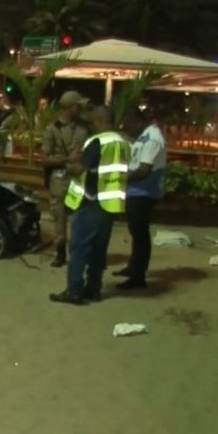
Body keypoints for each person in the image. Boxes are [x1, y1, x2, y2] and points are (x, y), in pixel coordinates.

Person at [50, 105, 131, 305]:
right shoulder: (122, 142)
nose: (91, 126)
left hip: (91, 201)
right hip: (110, 204)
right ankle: (94, 288)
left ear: (99, 121)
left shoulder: (98, 141)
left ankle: (74, 291)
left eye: (92, 121)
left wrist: (66, 165)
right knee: (98, 249)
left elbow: (79, 169)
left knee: (79, 248)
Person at [113, 108, 166, 290]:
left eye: (127, 126)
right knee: (136, 233)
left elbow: (144, 170)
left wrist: (119, 180)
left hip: (143, 192)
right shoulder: (144, 135)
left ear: (137, 122)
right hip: (136, 191)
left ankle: (138, 277)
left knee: (140, 234)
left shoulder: (152, 138)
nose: (126, 130)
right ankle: (133, 268)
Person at [42, 91, 89, 268]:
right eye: (78, 105)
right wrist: (66, 160)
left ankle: (78, 252)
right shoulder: (53, 129)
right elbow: (45, 159)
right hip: (60, 178)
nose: (81, 108)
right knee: (59, 218)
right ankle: (60, 252)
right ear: (71, 107)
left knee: (79, 218)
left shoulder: (85, 127)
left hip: (78, 179)